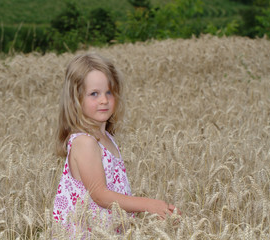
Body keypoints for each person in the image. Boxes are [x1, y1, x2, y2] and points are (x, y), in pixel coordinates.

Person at [53, 53, 180, 234]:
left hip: (108, 232)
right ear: (76, 99)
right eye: (94, 94)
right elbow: (100, 195)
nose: (104, 100)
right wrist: (149, 205)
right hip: (88, 234)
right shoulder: (84, 142)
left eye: (109, 92)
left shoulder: (106, 138)